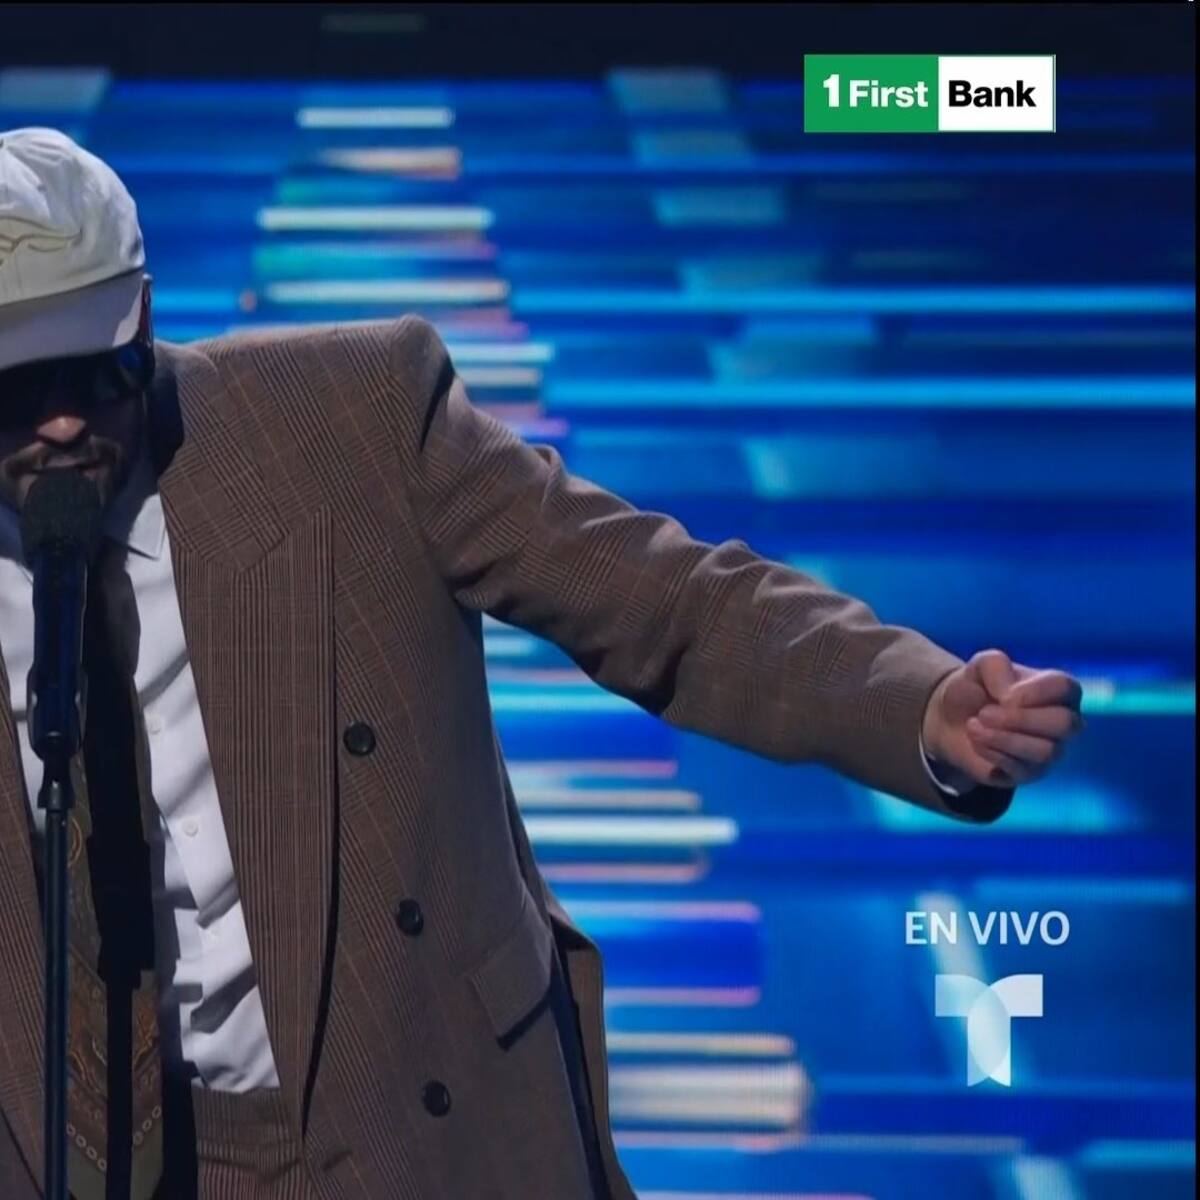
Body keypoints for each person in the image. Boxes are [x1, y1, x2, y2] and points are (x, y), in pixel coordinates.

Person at [0, 127, 1085, 1200]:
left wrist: (915, 704)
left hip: (425, 1119)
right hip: (103, 1158)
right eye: (18, 385)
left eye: (98, 371)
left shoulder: (349, 424)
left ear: (145, 317)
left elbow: (665, 596)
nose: (60, 422)